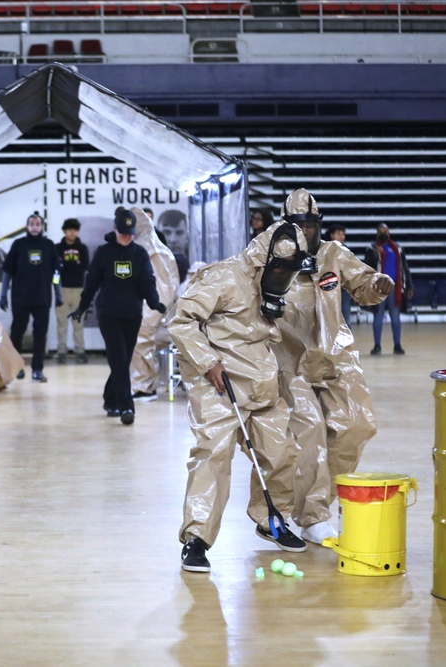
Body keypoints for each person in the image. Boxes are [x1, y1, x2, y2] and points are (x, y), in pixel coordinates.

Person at [169, 221, 309, 573]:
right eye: (279, 270)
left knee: (282, 452)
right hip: (220, 383)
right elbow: (182, 320)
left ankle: (271, 520)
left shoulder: (272, 287)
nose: (283, 277)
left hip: (261, 381)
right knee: (212, 456)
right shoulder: (224, 277)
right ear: (264, 261)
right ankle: (196, 540)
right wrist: (208, 362)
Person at [272, 189, 394, 545]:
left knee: (356, 425)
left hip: (334, 354)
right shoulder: (266, 255)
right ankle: (311, 516)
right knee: (308, 432)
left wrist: (377, 285)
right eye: (298, 225)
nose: (305, 232)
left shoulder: (333, 254)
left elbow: (362, 283)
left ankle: (323, 500)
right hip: (288, 357)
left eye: (310, 225)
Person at [70, 207, 165, 425]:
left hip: (132, 315)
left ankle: (110, 398)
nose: (127, 237)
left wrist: (154, 303)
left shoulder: (139, 254)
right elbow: (92, 283)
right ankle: (126, 407)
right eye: (123, 233)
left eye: (130, 233)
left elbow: (147, 282)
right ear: (115, 230)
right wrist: (82, 307)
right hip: (109, 314)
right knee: (119, 360)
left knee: (122, 361)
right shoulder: (104, 254)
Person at [0, 212, 62, 383]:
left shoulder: (49, 245)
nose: (35, 227)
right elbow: (7, 272)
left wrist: (58, 294)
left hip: (42, 298)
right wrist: (3, 294)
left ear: (42, 227)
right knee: (17, 332)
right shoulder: (18, 244)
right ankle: (17, 366)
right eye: (32, 224)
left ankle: (37, 370)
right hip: (20, 298)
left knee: (40, 335)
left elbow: (56, 273)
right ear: (27, 227)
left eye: (38, 224)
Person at [130, 207, 181, 402]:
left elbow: (163, 290)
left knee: (141, 341)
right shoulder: (152, 248)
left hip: (155, 316)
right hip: (152, 313)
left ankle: (144, 387)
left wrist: (149, 315)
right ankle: (140, 384)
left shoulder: (152, 251)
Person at [364, 223, 414, 355]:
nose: (383, 233)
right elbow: (366, 267)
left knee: (395, 317)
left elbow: (404, 268)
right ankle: (377, 345)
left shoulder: (397, 248)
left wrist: (409, 285)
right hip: (378, 288)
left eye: (385, 231)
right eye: (380, 231)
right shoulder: (371, 248)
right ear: (377, 234)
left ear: (389, 233)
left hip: (394, 287)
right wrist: (375, 255)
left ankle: (397, 345)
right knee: (378, 317)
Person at [55, 218, 90, 364]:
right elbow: (56, 269)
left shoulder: (82, 248)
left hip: (78, 290)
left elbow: (84, 267)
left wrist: (66, 265)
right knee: (61, 323)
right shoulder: (57, 248)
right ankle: (62, 351)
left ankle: (80, 351)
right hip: (62, 289)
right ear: (64, 231)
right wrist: (73, 264)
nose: (72, 233)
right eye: (69, 230)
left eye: (75, 230)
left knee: (78, 323)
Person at [327, 223, 353, 326]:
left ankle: (346, 341)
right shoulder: (324, 249)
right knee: (329, 318)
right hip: (328, 289)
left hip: (343, 289)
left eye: (343, 234)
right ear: (331, 235)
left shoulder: (346, 250)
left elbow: (350, 270)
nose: (342, 237)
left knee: (346, 318)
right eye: (339, 234)